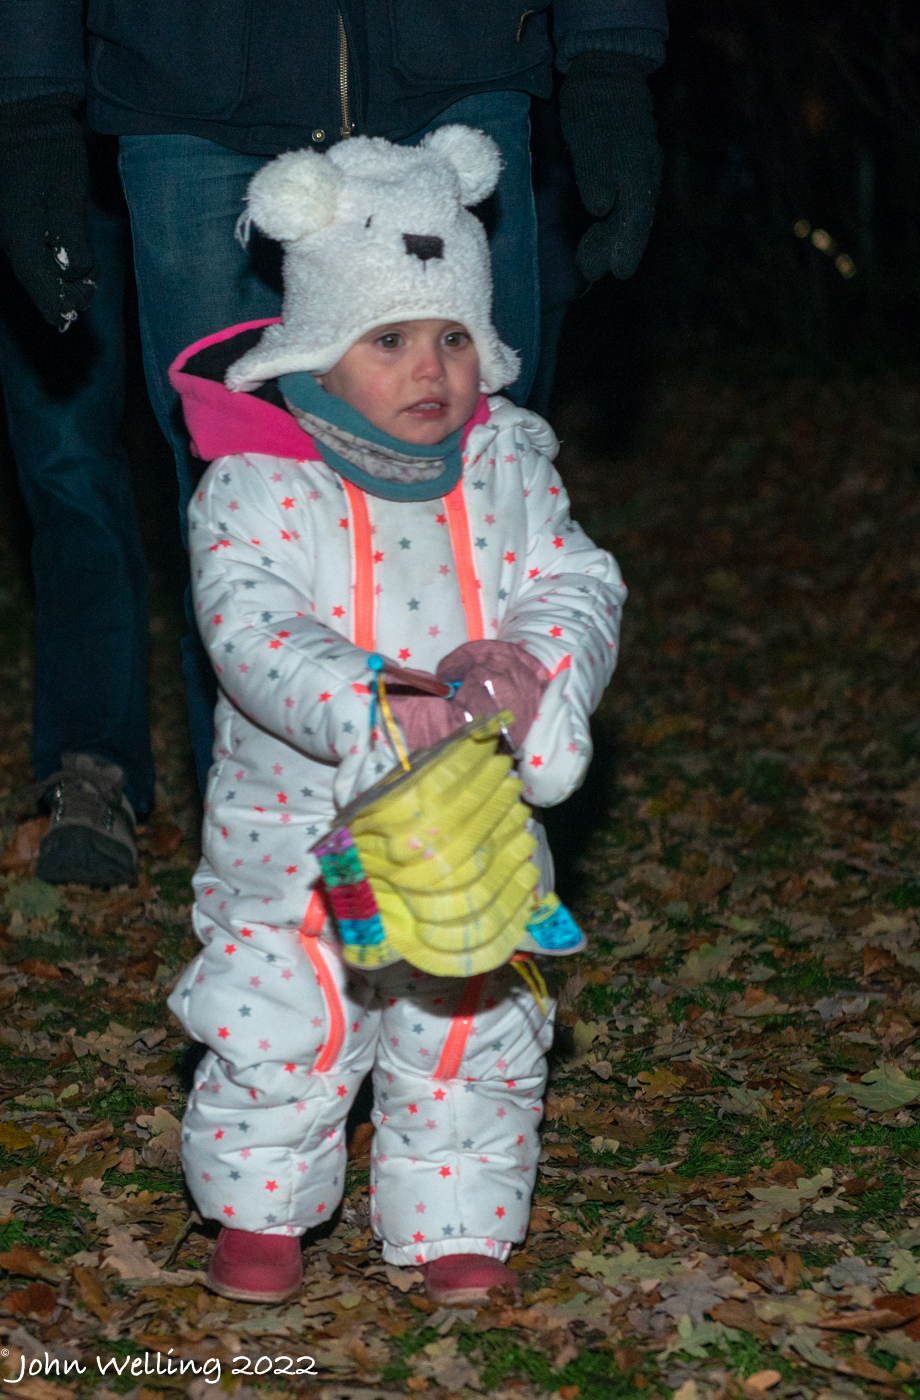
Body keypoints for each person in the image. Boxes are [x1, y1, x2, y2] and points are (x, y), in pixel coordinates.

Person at [165, 128, 625, 1304]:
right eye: (392, 340)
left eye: (455, 337)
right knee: (284, 1014)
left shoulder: (507, 466)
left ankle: (457, 1222)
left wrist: (534, 668)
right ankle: (260, 1206)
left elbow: (575, 576)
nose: (434, 368)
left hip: (464, 826)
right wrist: (373, 694)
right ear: (319, 349)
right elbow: (252, 625)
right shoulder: (261, 481)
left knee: (465, 1018)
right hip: (295, 836)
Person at [0, 1, 664, 791]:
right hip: (188, 82)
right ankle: (288, 873)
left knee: (490, 505)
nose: (426, 367)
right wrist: (30, 99)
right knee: (241, 538)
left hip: (461, 63)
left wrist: (608, 56)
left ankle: (475, 857)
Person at [0, 90, 153, 887]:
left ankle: (278, 784)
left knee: (241, 454)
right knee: (64, 459)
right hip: (33, 121)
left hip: (195, 100)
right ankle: (95, 770)